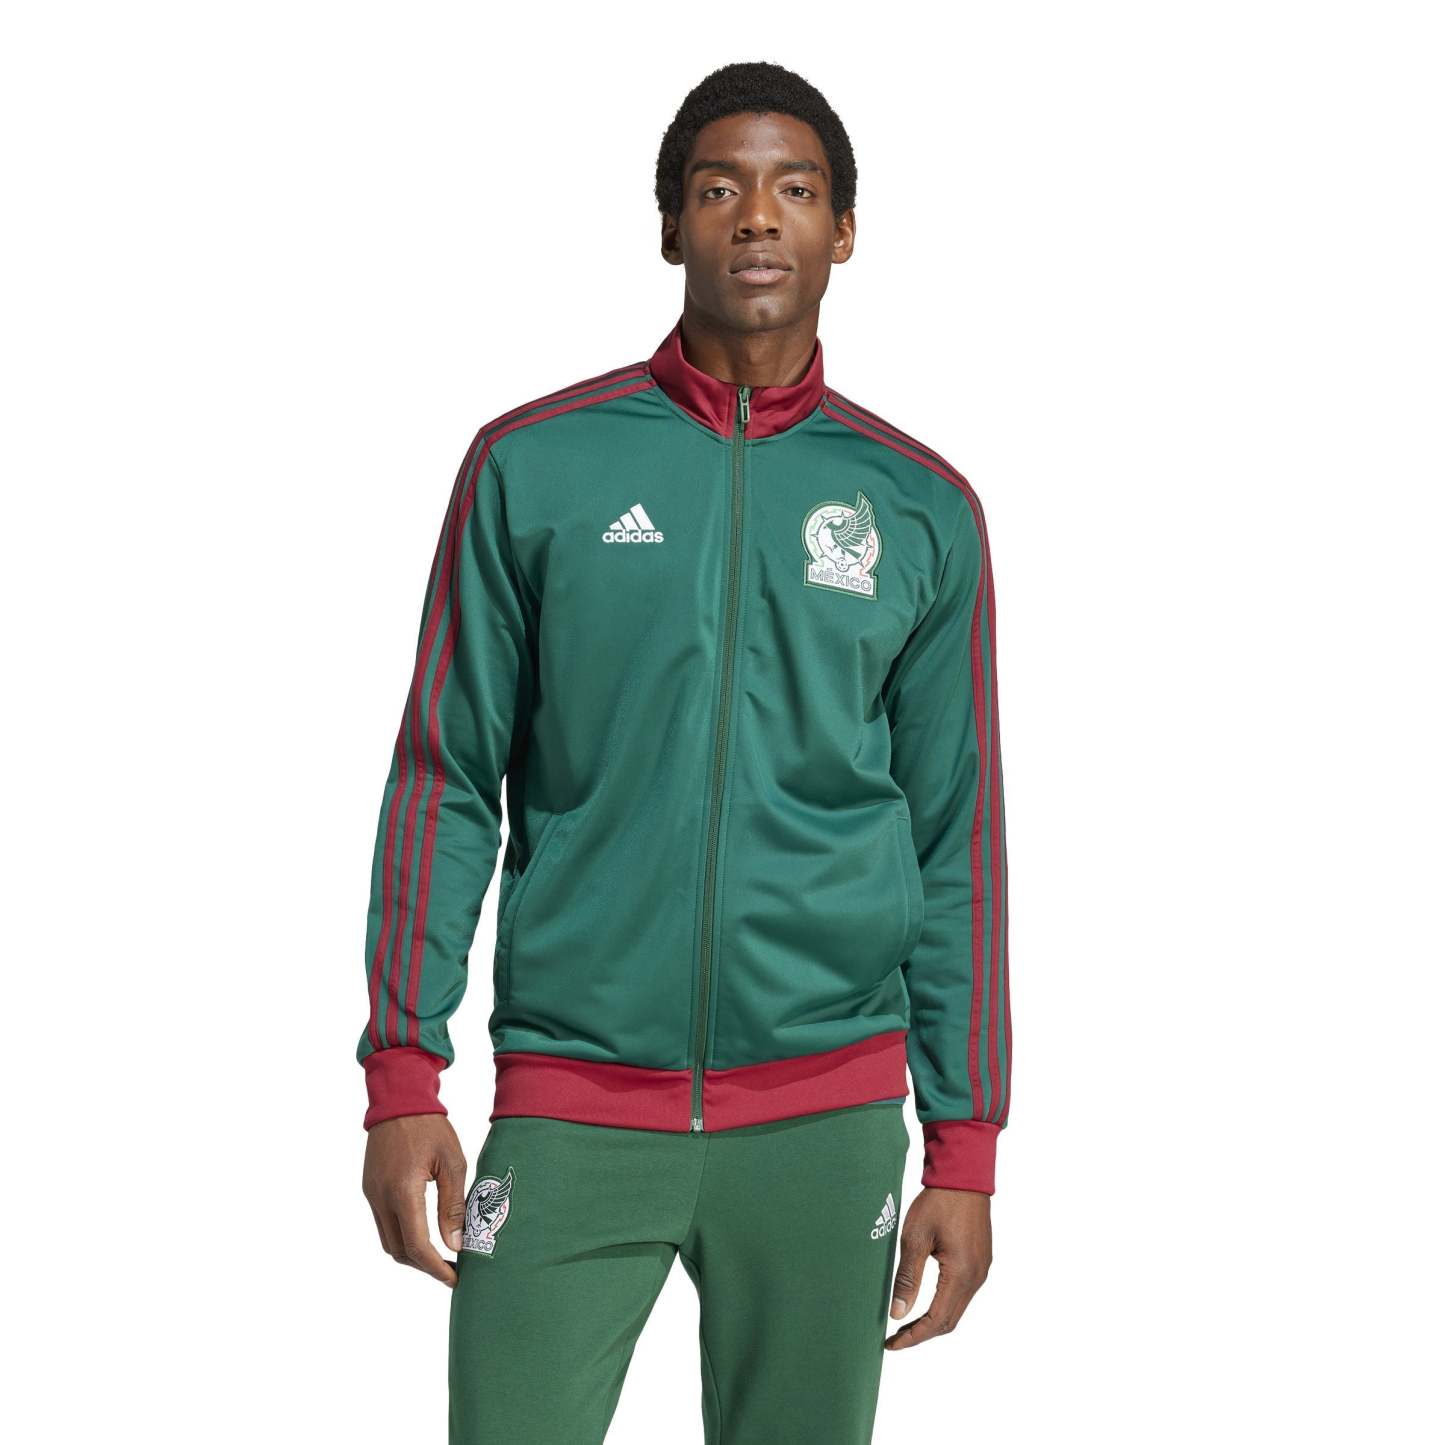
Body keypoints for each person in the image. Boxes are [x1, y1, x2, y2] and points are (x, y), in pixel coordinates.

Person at [358, 59, 1011, 1445]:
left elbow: (955, 838)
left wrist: (964, 1145)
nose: (757, 216)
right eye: (719, 189)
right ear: (671, 227)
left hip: (826, 1114)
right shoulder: (534, 467)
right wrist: (404, 1072)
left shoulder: (920, 508)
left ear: (844, 229)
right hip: (572, 1097)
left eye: (795, 188)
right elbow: (443, 778)